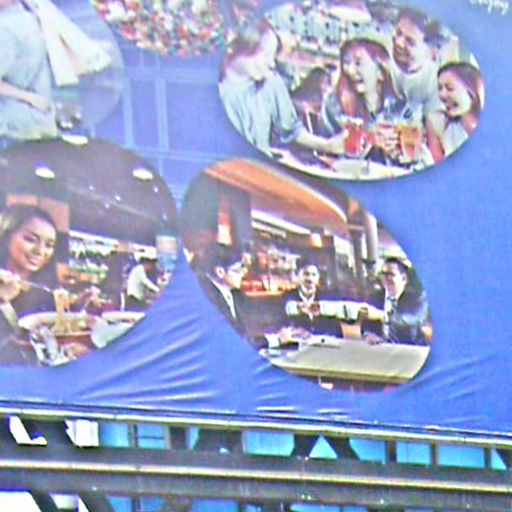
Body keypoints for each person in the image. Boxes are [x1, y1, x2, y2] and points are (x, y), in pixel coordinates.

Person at [219, 18, 346, 157]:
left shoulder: (271, 81)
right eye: (265, 55)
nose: (271, 64)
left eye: (272, 56)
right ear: (238, 48)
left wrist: (328, 146)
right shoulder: (217, 93)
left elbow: (292, 130)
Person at [321, 38, 407, 164]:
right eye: (346, 62)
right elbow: (328, 155)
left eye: (358, 63)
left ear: (380, 72)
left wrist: (397, 151)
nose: (350, 70)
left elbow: (413, 161)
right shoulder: (334, 105)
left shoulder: (401, 108)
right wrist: (368, 140)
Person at [0, 204, 59, 364]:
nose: (40, 251)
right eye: (30, 240)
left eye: (49, 245)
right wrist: (2, 302)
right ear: (6, 236)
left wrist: (78, 308)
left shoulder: (45, 290)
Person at [0, 0, 58, 140]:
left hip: (13, 122)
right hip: (41, 119)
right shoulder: (30, 18)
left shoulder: (5, 29)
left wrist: (29, 97)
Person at [362, 257, 430, 346]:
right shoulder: (375, 297)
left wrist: (384, 316)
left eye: (390, 274)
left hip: (411, 348)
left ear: (403, 278)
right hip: (382, 348)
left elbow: (414, 319)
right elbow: (366, 323)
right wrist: (368, 334)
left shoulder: (418, 298)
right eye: (383, 274)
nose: (385, 278)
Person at [426, 62, 484, 163]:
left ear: (471, 91)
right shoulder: (438, 123)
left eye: (450, 88)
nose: (442, 95)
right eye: (440, 88)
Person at [390, 7, 442, 120]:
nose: (398, 42)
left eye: (410, 41)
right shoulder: (378, 55)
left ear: (430, 51)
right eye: (398, 33)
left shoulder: (436, 81)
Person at [279, 262, 344, 341]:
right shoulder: (287, 297)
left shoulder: (329, 298)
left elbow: (336, 329)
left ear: (318, 277)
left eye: (314, 275)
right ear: (298, 276)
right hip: (299, 344)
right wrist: (292, 332)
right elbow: (281, 324)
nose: (310, 279)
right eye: (306, 274)